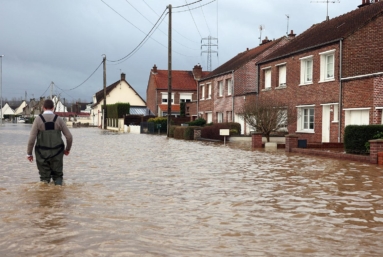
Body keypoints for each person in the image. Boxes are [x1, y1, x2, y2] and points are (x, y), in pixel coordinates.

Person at [27, 99, 73, 185]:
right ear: (53, 108)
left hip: (42, 154)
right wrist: (67, 149)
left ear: (43, 107)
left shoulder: (38, 120)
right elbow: (69, 137)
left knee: (44, 178)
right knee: (58, 176)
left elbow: (32, 139)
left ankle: (45, 196)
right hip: (57, 153)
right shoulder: (59, 120)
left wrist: (29, 154)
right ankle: (58, 194)